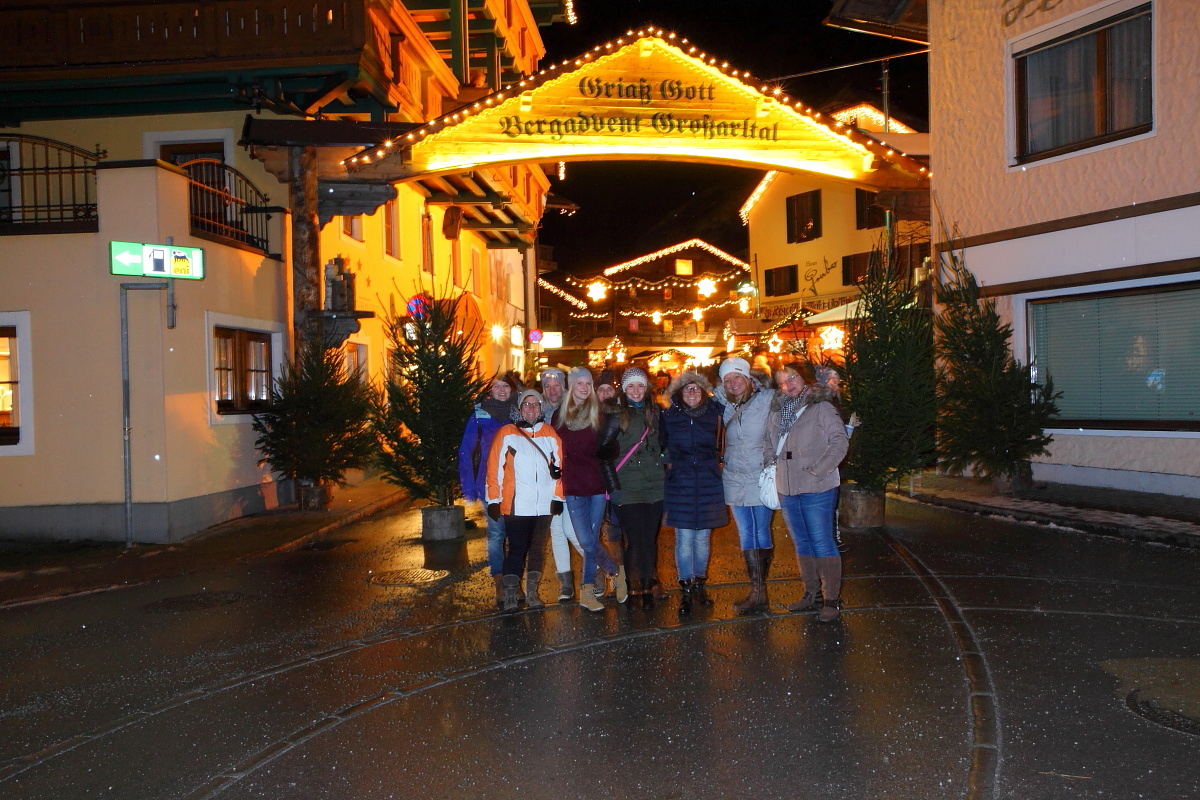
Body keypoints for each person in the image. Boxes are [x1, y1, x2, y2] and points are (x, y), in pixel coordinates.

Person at [767, 365, 849, 621]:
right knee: (801, 541)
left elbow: (840, 441)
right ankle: (811, 593)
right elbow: (768, 442)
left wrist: (819, 470)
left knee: (822, 540)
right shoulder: (778, 410)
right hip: (787, 486)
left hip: (817, 486)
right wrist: (770, 461)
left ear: (804, 379)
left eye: (792, 378)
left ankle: (832, 600)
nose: (788, 384)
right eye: (782, 382)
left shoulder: (821, 406)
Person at [555, 367, 628, 611]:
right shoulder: (559, 416)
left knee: (591, 539)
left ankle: (587, 591)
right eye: (580, 384)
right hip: (573, 485)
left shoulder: (600, 414)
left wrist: (609, 450)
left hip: (596, 485)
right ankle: (615, 573)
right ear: (571, 386)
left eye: (588, 383)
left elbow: (612, 446)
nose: (585, 388)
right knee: (586, 539)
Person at [485, 390, 565, 613]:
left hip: (543, 506)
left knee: (538, 549)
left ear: (541, 408)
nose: (531, 408)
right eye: (526, 405)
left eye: (535, 404)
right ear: (519, 408)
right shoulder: (507, 433)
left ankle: (532, 593)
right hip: (517, 505)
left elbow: (560, 469)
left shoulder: (550, 434)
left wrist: (558, 497)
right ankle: (510, 593)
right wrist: (493, 499)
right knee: (517, 548)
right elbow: (494, 469)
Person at [714, 356, 777, 614]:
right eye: (727, 380)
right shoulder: (722, 403)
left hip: (760, 475)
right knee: (745, 533)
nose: (732, 383)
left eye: (736, 377)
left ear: (748, 378)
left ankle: (759, 592)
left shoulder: (768, 400)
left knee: (761, 531)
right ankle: (756, 591)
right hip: (733, 477)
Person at [660, 370, 726, 614]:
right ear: (679, 392)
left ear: (703, 391)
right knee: (684, 538)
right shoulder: (670, 415)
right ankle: (686, 586)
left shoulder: (715, 413)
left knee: (702, 537)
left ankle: (699, 583)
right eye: (687, 388)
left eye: (696, 388)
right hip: (680, 481)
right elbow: (660, 444)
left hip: (709, 479)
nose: (691, 392)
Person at [598, 367, 665, 608]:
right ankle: (632, 587)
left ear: (646, 388)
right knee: (635, 540)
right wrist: (613, 488)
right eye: (631, 386)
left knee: (649, 539)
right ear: (624, 389)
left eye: (640, 386)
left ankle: (647, 586)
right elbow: (603, 454)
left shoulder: (655, 412)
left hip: (655, 486)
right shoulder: (615, 414)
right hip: (628, 486)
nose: (636, 391)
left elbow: (662, 444)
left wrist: (663, 459)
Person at [457, 374, 517, 608]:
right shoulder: (479, 416)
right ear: (490, 390)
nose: (502, 390)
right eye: (497, 386)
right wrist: (469, 486)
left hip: (519, 485)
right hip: (489, 483)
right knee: (496, 534)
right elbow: (466, 450)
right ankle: (500, 583)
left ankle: (514, 581)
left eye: (506, 386)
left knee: (516, 536)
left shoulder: (521, 413)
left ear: (512, 389)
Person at [539, 367, 585, 599]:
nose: (552, 390)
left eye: (556, 385)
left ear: (563, 386)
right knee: (556, 531)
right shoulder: (538, 412)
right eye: (547, 386)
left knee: (571, 530)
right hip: (547, 481)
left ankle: (599, 568)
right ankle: (566, 582)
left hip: (570, 478)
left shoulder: (572, 409)